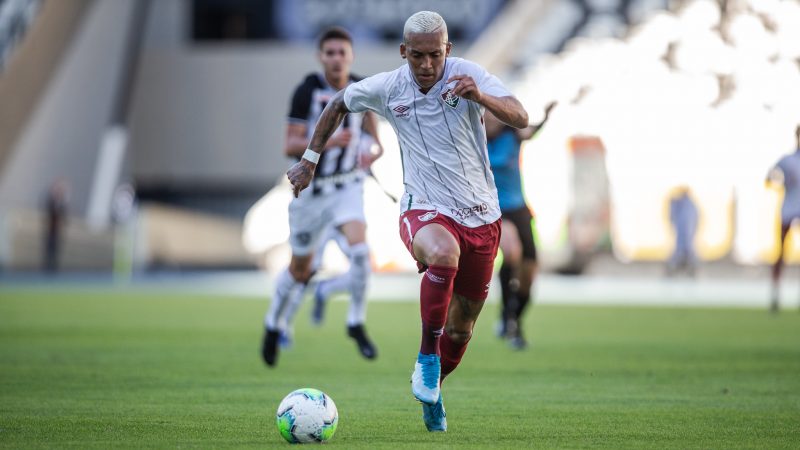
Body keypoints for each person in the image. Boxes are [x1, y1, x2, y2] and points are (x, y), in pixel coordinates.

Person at [286, 11, 529, 432]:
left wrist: (481, 97)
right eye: (417, 56)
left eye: (435, 55)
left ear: (448, 50)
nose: (427, 65)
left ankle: (433, 389)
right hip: (423, 207)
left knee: (463, 322)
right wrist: (310, 160)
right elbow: (339, 104)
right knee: (443, 254)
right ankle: (427, 358)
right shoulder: (388, 87)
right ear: (404, 52)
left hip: (482, 215)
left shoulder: (468, 75)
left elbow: (520, 116)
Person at [261, 26, 382, 367]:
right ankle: (273, 324)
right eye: (330, 52)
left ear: (351, 55)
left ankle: (355, 322)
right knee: (301, 270)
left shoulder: (360, 88)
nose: (336, 58)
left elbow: (373, 132)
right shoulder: (307, 90)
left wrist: (375, 150)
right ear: (320, 57)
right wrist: (330, 142)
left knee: (361, 253)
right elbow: (290, 144)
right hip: (311, 191)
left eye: (342, 52)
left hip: (347, 187)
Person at [484, 101, 555, 350]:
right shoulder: (473, 139)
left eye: (494, 116)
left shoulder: (512, 134)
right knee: (511, 253)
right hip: (495, 210)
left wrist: (545, 117)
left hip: (519, 208)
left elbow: (530, 131)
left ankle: (513, 319)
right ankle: (507, 318)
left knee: (530, 270)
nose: (490, 120)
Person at [766, 124, 800, 313]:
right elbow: (769, 179)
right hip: (788, 209)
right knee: (782, 253)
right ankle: (775, 295)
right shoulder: (787, 161)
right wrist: (780, 183)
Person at [666, 185, 699, 277]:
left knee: (684, 250)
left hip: (684, 247)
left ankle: (684, 267)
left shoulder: (686, 206)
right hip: (684, 246)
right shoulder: (685, 205)